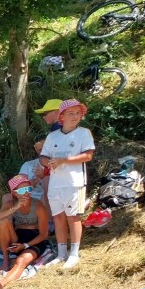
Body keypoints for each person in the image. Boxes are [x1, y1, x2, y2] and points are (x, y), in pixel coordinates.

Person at [40, 98, 94, 270]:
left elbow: (88, 156)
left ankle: (74, 254)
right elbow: (43, 157)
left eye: (78, 113)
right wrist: (48, 163)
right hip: (56, 184)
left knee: (73, 217)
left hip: (74, 183)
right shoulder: (52, 136)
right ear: (61, 116)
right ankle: (61, 253)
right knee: (58, 218)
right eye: (71, 113)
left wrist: (64, 160)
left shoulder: (84, 133)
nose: (75, 116)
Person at [0, 174, 51, 289]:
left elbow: (44, 235)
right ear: (14, 193)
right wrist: (15, 207)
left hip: (34, 239)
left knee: (21, 260)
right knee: (3, 222)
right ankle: (6, 258)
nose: (27, 193)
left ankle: (2, 283)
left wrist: (25, 245)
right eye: (22, 190)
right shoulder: (11, 204)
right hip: (17, 236)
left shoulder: (38, 206)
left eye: (29, 189)